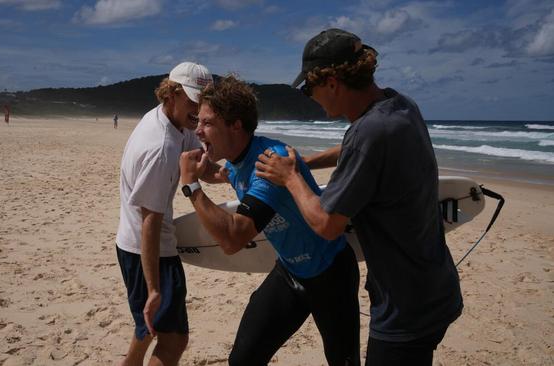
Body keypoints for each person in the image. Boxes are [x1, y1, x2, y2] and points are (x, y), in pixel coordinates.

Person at [255, 28, 463, 365]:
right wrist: (308, 162)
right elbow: (358, 149)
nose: (310, 96)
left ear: (333, 82)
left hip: (405, 306)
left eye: (309, 88)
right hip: (437, 287)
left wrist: (291, 177)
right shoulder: (399, 106)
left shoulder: (368, 134)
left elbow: (326, 224)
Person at [179, 76, 360, 366]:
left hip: (331, 275)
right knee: (243, 360)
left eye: (207, 123)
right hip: (290, 273)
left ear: (236, 124)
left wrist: (192, 186)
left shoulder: (268, 162)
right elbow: (226, 174)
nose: (197, 130)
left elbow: (234, 238)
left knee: (344, 362)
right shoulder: (237, 162)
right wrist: (206, 173)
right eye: (197, 121)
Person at [115, 62, 221, 366]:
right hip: (148, 250)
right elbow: (150, 221)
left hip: (140, 243)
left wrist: (230, 174)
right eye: (192, 100)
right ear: (171, 94)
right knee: (173, 339)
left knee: (148, 327)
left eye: (203, 102)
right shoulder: (160, 148)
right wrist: (153, 288)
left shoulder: (176, 122)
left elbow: (198, 161)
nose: (198, 109)